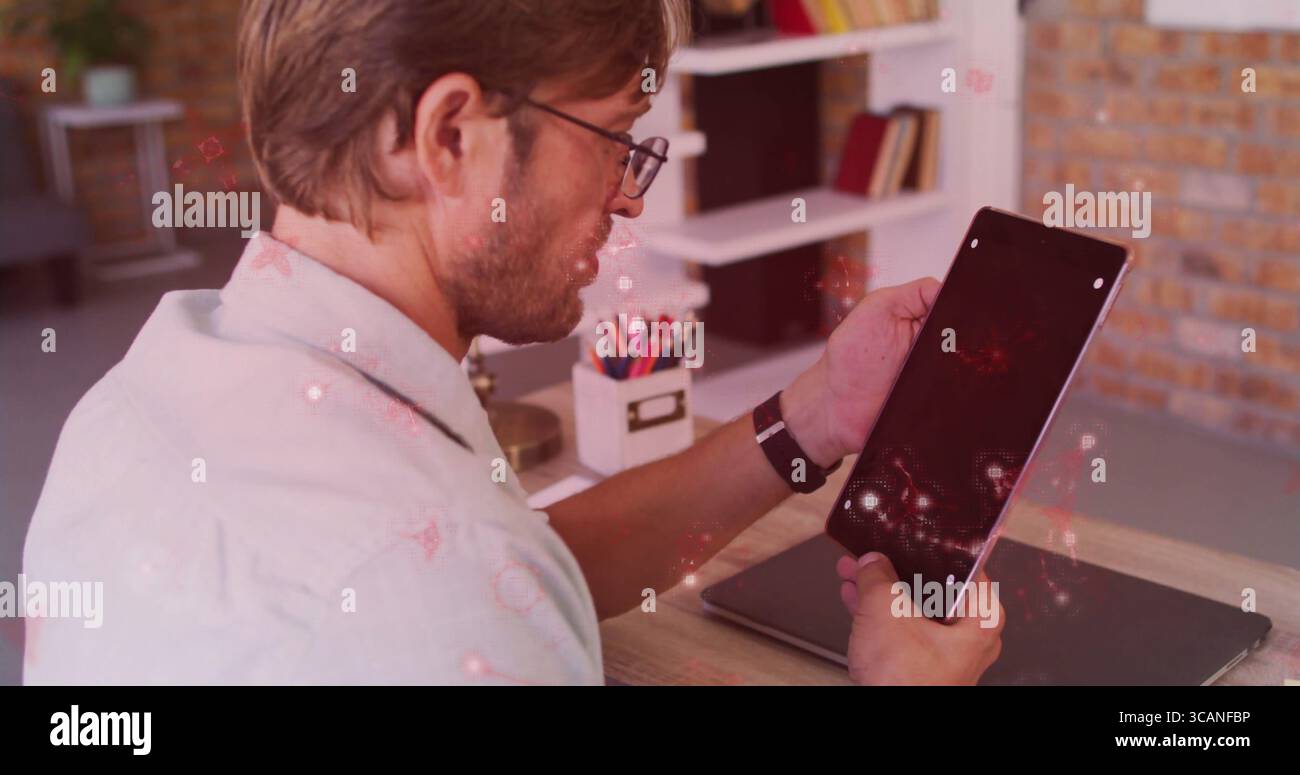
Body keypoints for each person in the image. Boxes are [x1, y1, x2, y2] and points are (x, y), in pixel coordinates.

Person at [23, 0, 1001, 685]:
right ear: (451, 136)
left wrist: (810, 416)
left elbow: (531, 565)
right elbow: (466, 578)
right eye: (616, 137)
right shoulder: (426, 587)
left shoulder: (137, 397)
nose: (627, 196)